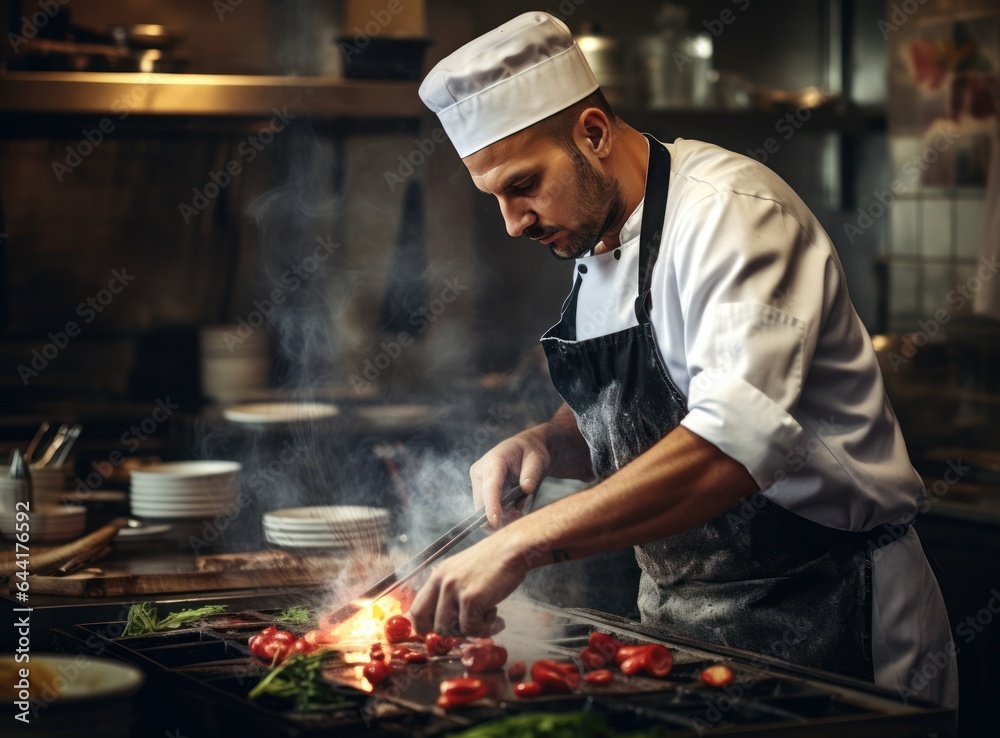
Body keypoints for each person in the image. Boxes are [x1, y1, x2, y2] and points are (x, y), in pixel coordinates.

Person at [410, 11, 957, 706]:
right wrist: (549, 442)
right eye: (495, 198)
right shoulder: (596, 232)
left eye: (522, 186)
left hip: (830, 613)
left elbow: (731, 445)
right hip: (682, 629)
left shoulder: (734, 217)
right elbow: (646, 399)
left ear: (594, 133)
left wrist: (520, 545)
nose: (513, 222)